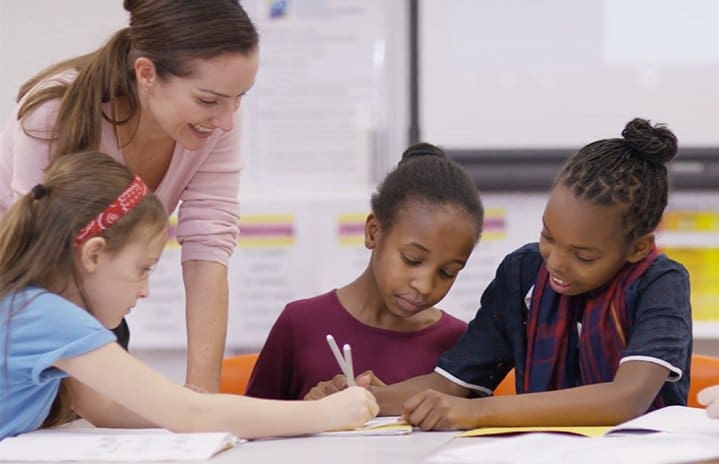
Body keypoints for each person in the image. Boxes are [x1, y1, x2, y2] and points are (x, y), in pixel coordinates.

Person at [307, 118, 692, 430]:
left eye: (584, 256)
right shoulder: (523, 273)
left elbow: (625, 398)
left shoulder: (660, 283)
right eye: (548, 236)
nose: (556, 262)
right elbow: (450, 384)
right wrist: (360, 401)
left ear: (638, 247)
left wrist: (476, 413)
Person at [0, 151, 378, 440]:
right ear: (93, 254)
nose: (145, 290)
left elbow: (106, 409)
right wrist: (326, 416)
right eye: (142, 269)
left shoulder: (30, 306)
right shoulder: (46, 314)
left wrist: (191, 403)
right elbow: (190, 416)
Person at [0, 0, 260, 392]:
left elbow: (209, 244)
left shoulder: (217, 121)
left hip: (91, 307)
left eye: (240, 97)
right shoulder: (54, 111)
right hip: (24, 307)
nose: (226, 119)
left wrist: (203, 396)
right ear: (147, 74)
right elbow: (42, 263)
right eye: (208, 100)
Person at [245, 143, 483, 400]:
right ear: (373, 232)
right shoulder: (300, 323)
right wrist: (308, 414)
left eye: (447, 273)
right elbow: (248, 430)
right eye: (412, 259)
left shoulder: (459, 345)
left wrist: (389, 405)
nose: (425, 286)